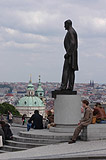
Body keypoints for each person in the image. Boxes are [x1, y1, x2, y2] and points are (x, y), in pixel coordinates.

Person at [60, 19, 78, 91]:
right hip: (73, 54)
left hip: (70, 55)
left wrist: (68, 53)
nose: (64, 26)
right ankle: (70, 87)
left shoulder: (70, 32)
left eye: (65, 25)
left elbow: (73, 43)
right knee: (71, 71)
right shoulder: (73, 31)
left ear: (68, 24)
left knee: (66, 70)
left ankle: (63, 86)